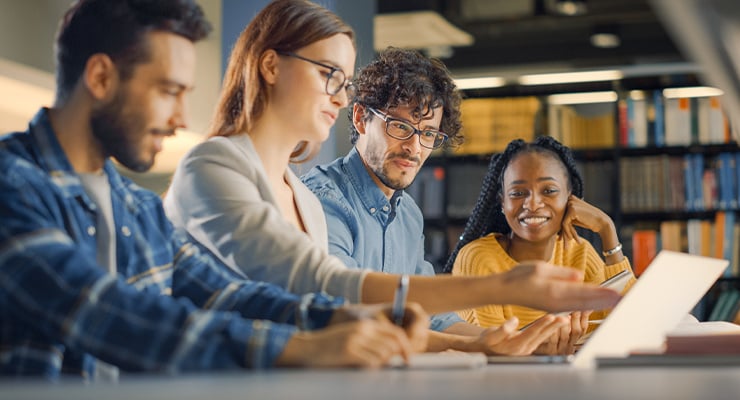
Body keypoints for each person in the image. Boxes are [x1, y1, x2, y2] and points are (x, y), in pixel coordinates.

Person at [0, 0, 431, 381]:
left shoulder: (135, 207)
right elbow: (100, 310)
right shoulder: (12, 186)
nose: (180, 119)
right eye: (169, 92)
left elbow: (226, 295)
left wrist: (351, 315)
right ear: (99, 77)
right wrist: (301, 346)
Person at [163, 0, 621, 356]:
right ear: (270, 66)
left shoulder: (302, 196)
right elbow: (326, 289)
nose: (339, 99)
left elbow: (365, 317)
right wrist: (498, 288)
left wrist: (483, 343)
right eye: (329, 76)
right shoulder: (220, 168)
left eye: (427, 134)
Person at [300, 47, 566, 354]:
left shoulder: (408, 215)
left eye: (429, 134)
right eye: (400, 127)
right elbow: (349, 313)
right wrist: (476, 343)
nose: (414, 148)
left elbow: (433, 318)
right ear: (361, 118)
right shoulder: (324, 201)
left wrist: (512, 341)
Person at [444, 136, 636, 354]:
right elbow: (492, 348)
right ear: (503, 203)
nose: (533, 204)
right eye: (517, 193)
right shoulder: (478, 258)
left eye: (549, 191)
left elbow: (631, 324)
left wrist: (607, 229)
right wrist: (548, 350)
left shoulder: (579, 251)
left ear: (570, 199)